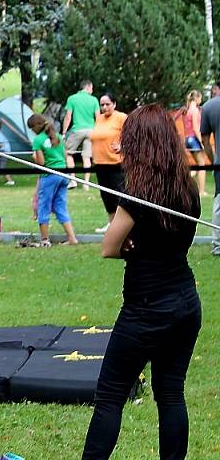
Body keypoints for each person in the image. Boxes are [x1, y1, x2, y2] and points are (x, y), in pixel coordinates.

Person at [82, 104, 202, 460]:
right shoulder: (189, 188)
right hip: (185, 302)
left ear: (139, 142)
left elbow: (109, 247)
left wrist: (134, 247)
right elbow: (176, 242)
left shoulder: (136, 192)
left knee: (109, 396)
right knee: (170, 394)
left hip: (146, 310)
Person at [27, 113, 78, 246]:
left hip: (49, 176)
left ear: (35, 127)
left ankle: (44, 240)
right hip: (63, 175)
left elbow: (42, 163)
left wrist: (35, 158)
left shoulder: (38, 140)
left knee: (43, 206)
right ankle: (72, 238)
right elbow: (64, 155)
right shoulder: (59, 137)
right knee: (60, 205)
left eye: (31, 129)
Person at [89, 93, 127, 233]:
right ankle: (111, 224)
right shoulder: (99, 119)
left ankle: (122, 225)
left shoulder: (121, 117)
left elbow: (132, 136)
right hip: (100, 163)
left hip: (115, 163)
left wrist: (123, 146)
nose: (104, 107)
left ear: (114, 104)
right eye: (102, 105)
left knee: (118, 194)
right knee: (106, 196)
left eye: (107, 104)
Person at [62, 80, 100, 190]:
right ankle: (86, 183)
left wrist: (64, 132)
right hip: (91, 130)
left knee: (68, 153)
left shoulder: (72, 98)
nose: (92, 90)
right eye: (92, 88)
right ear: (87, 87)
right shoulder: (94, 100)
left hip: (78, 129)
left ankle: (73, 180)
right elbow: (98, 117)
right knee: (87, 156)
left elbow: (68, 117)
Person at [200, 86, 220, 256]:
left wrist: (214, 160)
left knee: (219, 202)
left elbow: (205, 139)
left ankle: (217, 244)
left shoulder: (209, 106)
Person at [181, 89, 208, 196]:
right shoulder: (195, 111)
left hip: (188, 139)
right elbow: (196, 129)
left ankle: (183, 182)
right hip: (194, 139)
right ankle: (201, 191)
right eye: (200, 98)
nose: (201, 101)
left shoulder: (187, 110)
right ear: (196, 98)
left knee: (197, 166)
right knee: (202, 165)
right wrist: (201, 142)